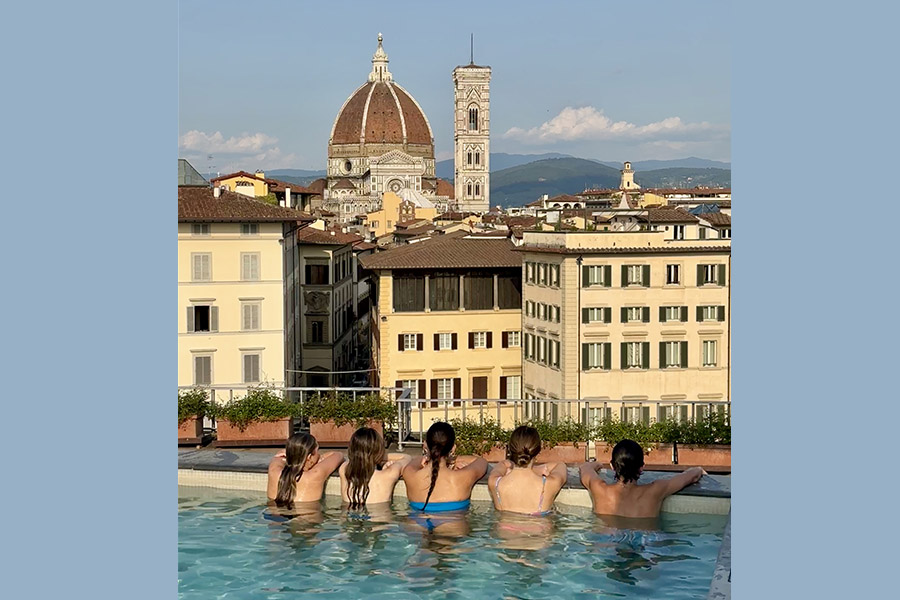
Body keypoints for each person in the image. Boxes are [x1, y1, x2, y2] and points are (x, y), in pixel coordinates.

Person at [579, 438, 706, 519]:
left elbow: (585, 468)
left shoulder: (599, 489)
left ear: (612, 466)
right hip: (644, 546)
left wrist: (598, 464)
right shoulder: (656, 490)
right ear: (642, 467)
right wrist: (699, 469)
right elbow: (691, 476)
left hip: (607, 545)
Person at [402, 421, 488, 513]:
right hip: (452, 525)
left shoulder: (409, 474)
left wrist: (426, 457)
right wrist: (453, 460)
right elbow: (481, 461)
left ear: (425, 445)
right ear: (453, 448)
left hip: (415, 524)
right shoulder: (464, 476)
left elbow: (415, 461)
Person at [488, 425, 567, 516]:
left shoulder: (495, 483)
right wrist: (536, 469)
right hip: (539, 528)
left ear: (510, 449)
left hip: (505, 529)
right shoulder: (549, 484)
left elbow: (503, 464)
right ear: (538, 450)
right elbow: (560, 465)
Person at [339, 426, 411, 508]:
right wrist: (380, 458)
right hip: (379, 518)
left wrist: (368, 456)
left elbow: (353, 460)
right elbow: (407, 458)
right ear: (379, 451)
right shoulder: (389, 474)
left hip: (350, 517)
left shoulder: (344, 470)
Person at [267, 432, 344, 508]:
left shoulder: (274, 471)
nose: (319, 454)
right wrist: (319, 459)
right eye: (317, 451)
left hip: (276, 518)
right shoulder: (315, 474)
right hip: (307, 518)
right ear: (309, 456)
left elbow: (279, 455)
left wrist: (294, 453)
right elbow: (338, 455)